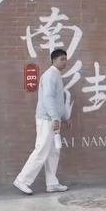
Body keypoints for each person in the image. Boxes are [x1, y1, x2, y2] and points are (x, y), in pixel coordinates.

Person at [13, 49, 71, 195]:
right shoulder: (50, 75)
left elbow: (58, 100)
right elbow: (47, 98)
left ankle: (52, 183)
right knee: (42, 150)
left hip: (52, 118)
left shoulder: (56, 75)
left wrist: (64, 117)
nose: (65, 62)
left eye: (65, 59)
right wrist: (55, 117)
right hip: (47, 119)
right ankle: (22, 180)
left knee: (53, 152)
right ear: (53, 60)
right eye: (62, 59)